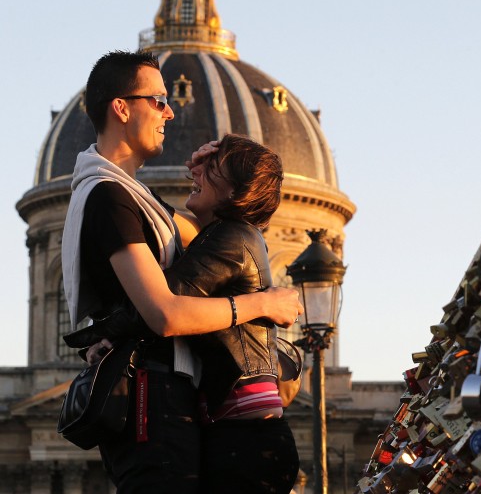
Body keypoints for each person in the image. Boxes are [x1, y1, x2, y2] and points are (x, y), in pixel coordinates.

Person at [61, 50, 302, 493]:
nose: (169, 112)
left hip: (173, 393)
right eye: (158, 100)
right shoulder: (112, 198)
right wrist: (263, 303)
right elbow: (166, 312)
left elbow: (218, 231)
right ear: (121, 107)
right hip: (152, 395)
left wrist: (222, 181)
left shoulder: (135, 201)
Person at [163, 134, 299, 493]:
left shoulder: (230, 238)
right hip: (246, 433)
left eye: (213, 169)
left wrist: (101, 332)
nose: (199, 173)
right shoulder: (232, 236)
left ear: (236, 193)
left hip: (245, 440)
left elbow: (161, 302)